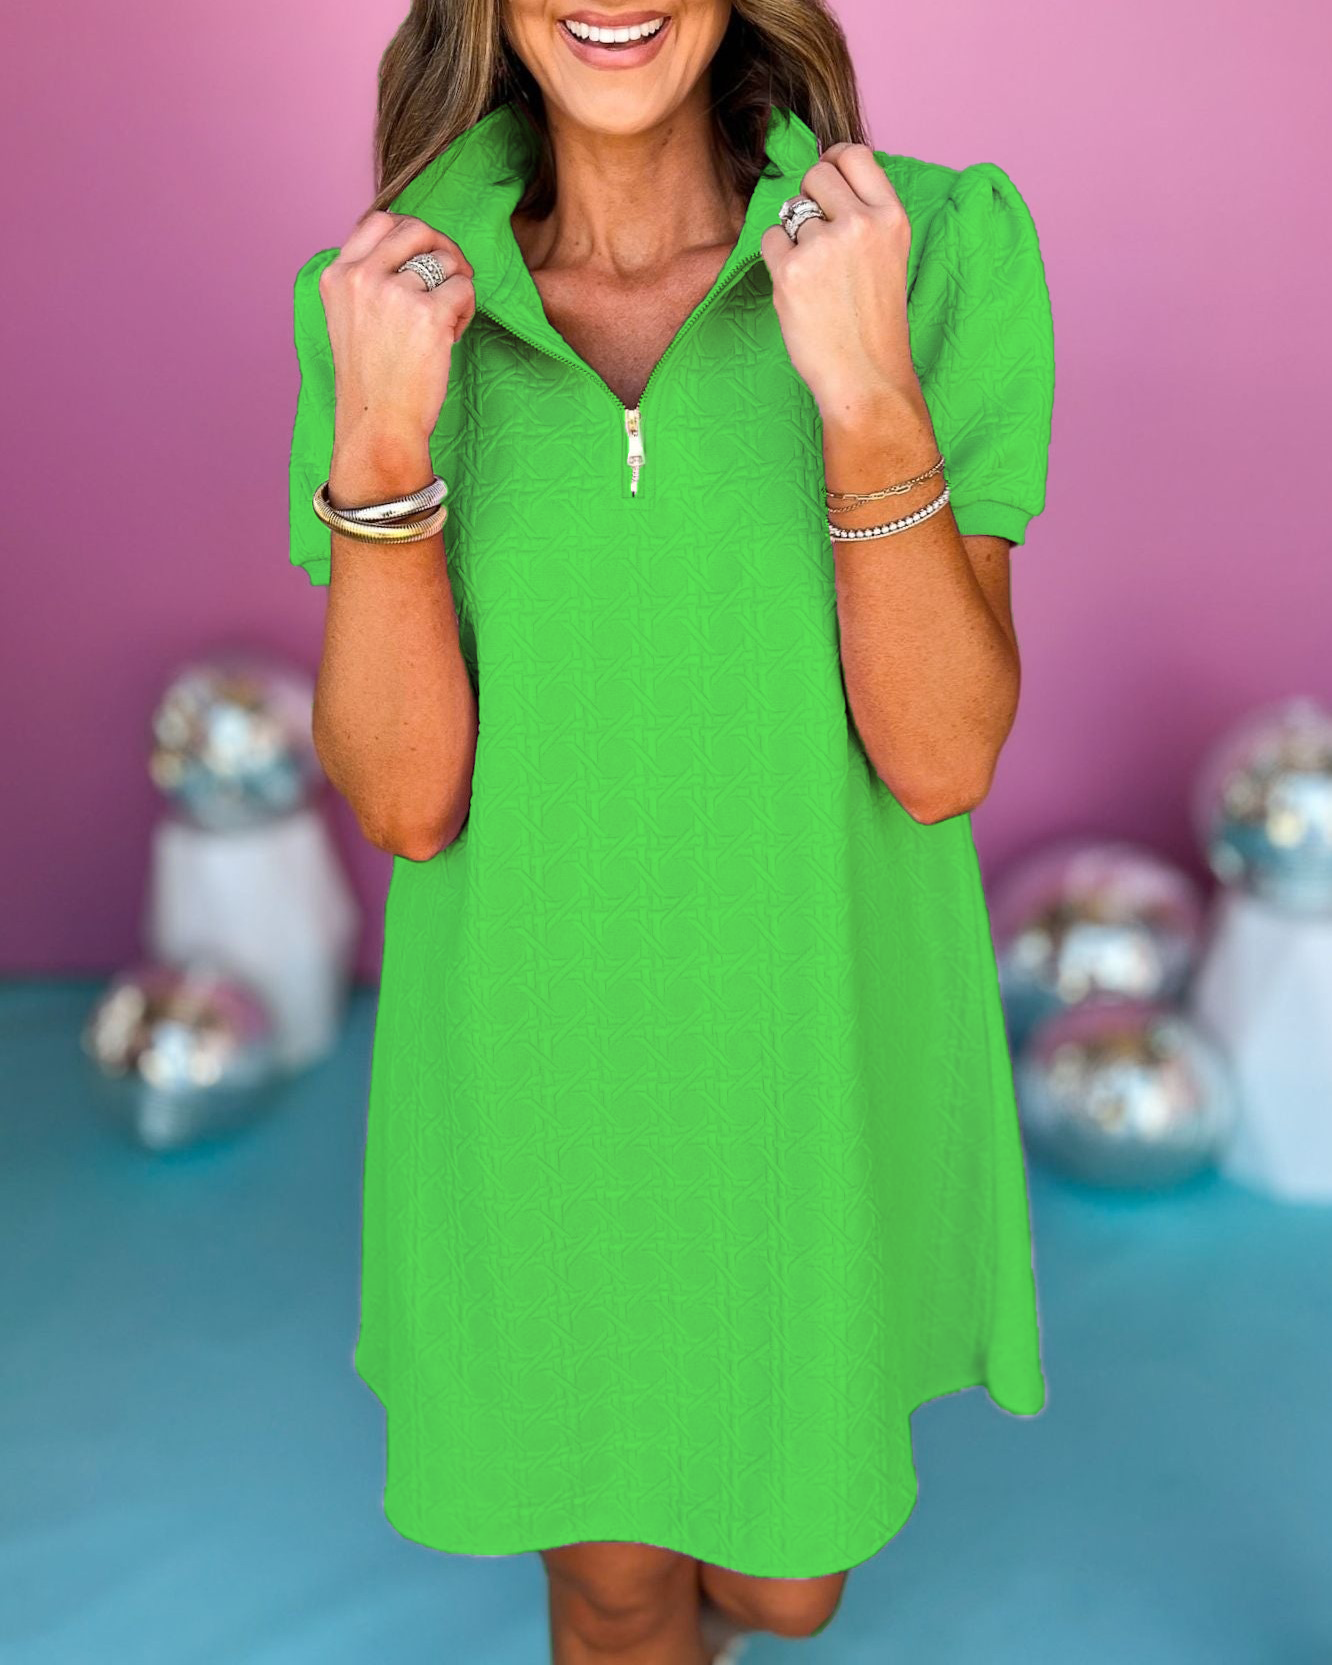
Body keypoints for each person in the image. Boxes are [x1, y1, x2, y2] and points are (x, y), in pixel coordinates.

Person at [286, 1, 1055, 1659]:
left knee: (789, 1587)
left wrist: (867, 390)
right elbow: (406, 801)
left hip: (809, 1072)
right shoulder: (380, 299)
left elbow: (940, 759)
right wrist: (382, 436)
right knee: (617, 1587)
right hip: (535, 1088)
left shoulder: (931, 249)